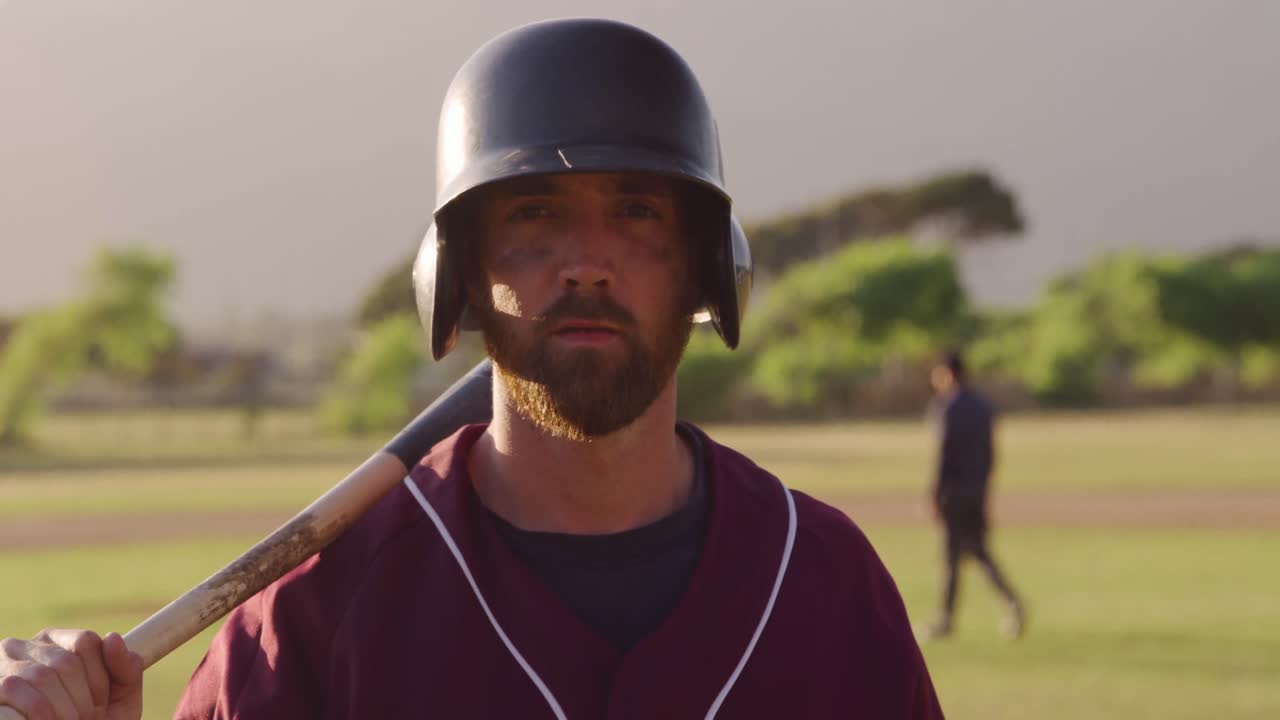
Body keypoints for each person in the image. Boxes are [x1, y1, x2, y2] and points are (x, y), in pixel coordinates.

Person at [0, 18, 944, 719]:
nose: (587, 260)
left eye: (637, 212)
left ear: (705, 268)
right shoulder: (315, 622)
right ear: (457, 271)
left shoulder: (823, 585)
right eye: (533, 214)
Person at [921, 350, 1025, 641]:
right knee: (978, 551)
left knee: (952, 556)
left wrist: (935, 494)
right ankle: (1012, 604)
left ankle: (945, 619)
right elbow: (991, 454)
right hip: (977, 489)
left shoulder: (947, 407)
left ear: (947, 373)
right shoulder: (983, 406)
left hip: (954, 491)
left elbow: (944, 455)